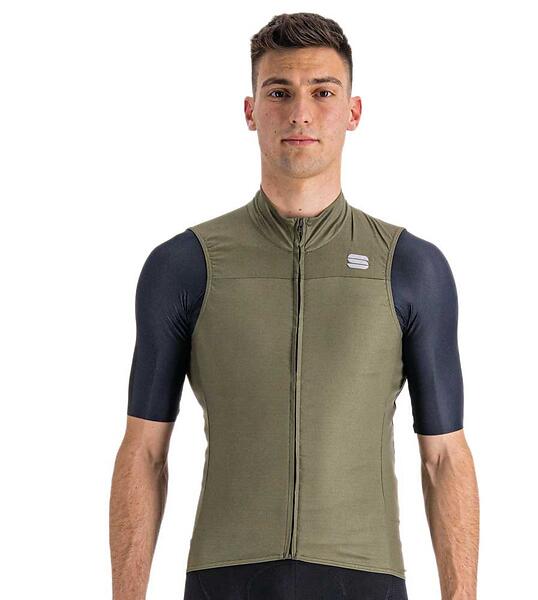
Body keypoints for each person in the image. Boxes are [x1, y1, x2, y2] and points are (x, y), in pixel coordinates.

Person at [109, 12, 479, 600]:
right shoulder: (184, 265)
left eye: (322, 92)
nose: (300, 113)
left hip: (365, 580)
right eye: (279, 92)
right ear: (251, 110)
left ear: (353, 111)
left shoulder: (411, 266)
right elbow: (144, 451)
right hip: (226, 581)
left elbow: (444, 458)